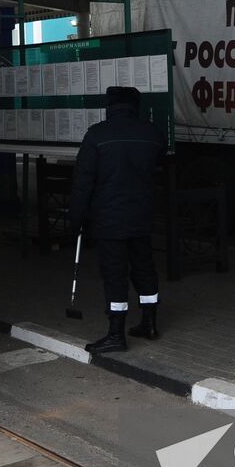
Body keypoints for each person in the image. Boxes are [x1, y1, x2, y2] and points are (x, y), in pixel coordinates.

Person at [69, 86, 166, 354]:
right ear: (136, 106)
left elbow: (82, 183)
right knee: (144, 267)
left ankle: (116, 334)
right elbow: (159, 162)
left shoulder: (97, 135)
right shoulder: (152, 134)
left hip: (110, 219)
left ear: (110, 106)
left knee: (114, 274)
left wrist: (75, 219)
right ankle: (149, 323)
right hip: (142, 216)